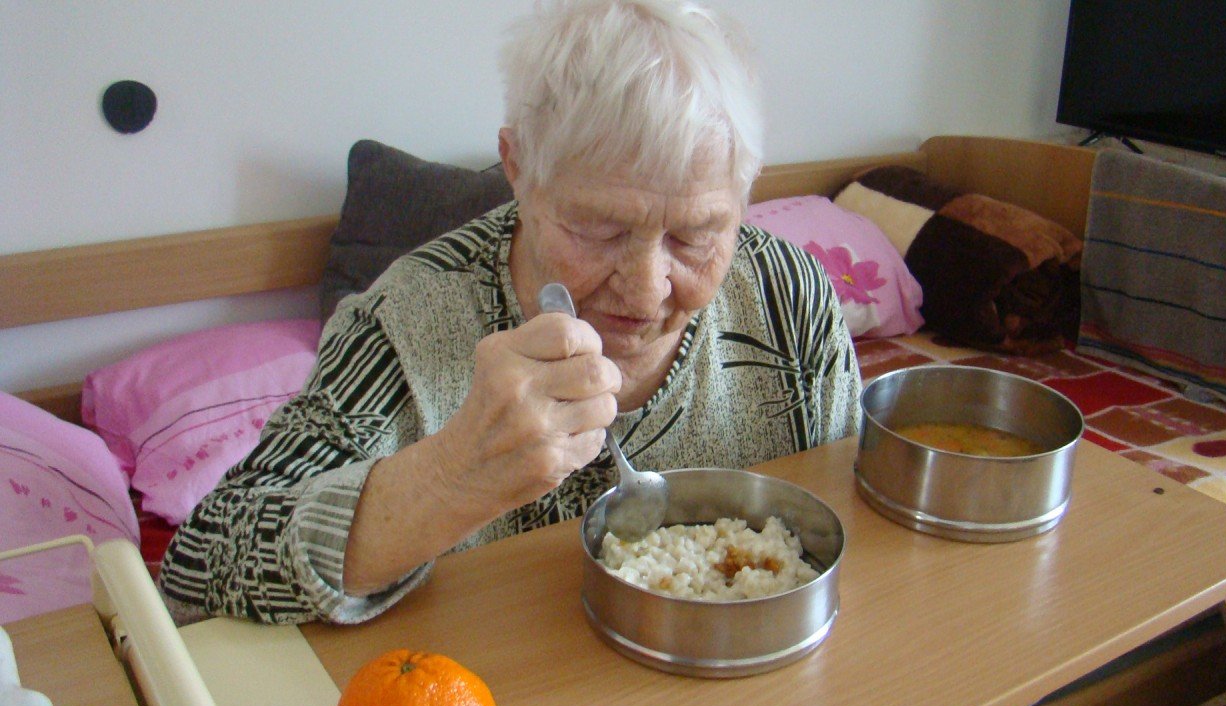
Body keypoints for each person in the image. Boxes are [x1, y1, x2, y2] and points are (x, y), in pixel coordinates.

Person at [158, 0, 861, 625]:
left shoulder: (786, 298)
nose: (647, 290)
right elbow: (199, 570)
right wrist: (449, 477)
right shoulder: (401, 329)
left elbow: (855, 520)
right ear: (516, 168)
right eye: (598, 228)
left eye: (696, 233)